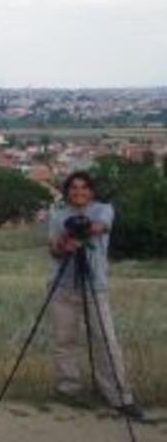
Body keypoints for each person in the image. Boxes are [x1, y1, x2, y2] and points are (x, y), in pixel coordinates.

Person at [47, 171, 144, 420]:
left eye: (84, 187)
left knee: (105, 340)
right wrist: (63, 244)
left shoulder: (103, 209)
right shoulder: (58, 214)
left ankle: (119, 396)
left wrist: (80, 229)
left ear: (92, 191)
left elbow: (101, 227)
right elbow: (54, 250)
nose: (79, 192)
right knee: (64, 339)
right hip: (63, 286)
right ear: (67, 191)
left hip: (95, 285)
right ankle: (68, 388)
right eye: (74, 188)